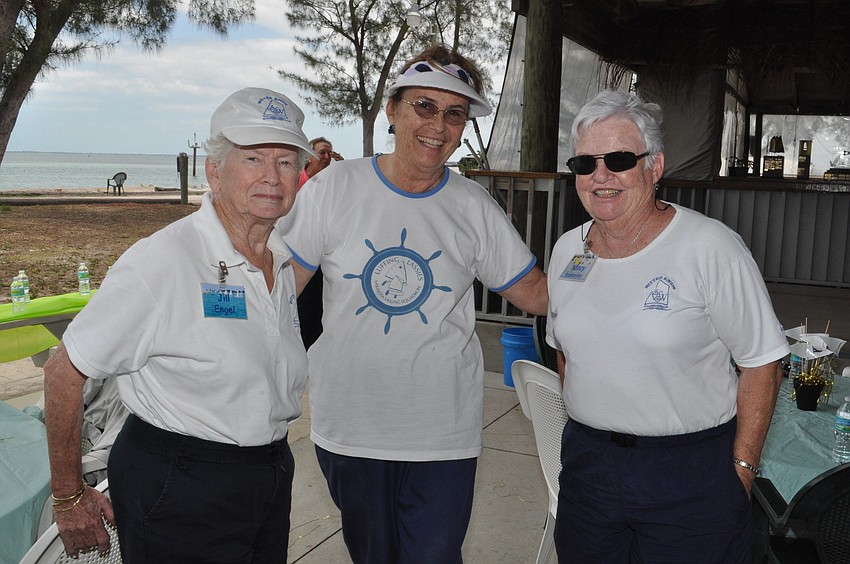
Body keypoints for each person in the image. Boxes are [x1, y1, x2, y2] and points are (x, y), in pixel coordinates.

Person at [277, 45, 548, 563]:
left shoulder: (472, 205)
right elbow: (278, 287)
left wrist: (614, 259)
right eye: (424, 106)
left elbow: (535, 291)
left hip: (442, 430)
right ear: (392, 109)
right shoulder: (335, 187)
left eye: (454, 114)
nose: (438, 126)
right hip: (350, 426)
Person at [42, 86, 313, 562]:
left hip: (268, 473)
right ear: (214, 170)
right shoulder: (164, 260)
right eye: (252, 159)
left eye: (287, 161)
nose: (272, 176)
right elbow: (64, 370)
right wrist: (68, 496)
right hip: (180, 485)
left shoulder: (280, 260)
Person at [547, 90, 790, 563]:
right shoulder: (565, 251)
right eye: (585, 163)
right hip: (589, 469)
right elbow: (564, 353)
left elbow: (763, 361)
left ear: (654, 167)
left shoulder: (709, 247)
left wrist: (741, 470)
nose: (600, 176)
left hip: (690, 473)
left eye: (618, 159)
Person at [296, 136, 342, 347]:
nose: (326, 157)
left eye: (329, 153)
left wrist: (344, 170)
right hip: (300, 256)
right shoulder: (295, 183)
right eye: (322, 152)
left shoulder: (336, 183)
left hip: (328, 257)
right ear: (308, 157)